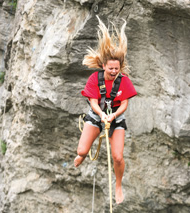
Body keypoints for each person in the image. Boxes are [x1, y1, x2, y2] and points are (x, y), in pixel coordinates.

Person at [74, 16, 137, 204]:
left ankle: (118, 185)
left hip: (116, 118)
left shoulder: (123, 80)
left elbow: (124, 104)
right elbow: (93, 102)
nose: (113, 71)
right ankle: (82, 156)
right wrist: (102, 115)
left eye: (116, 69)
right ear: (103, 66)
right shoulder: (95, 79)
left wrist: (113, 116)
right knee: (82, 151)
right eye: (110, 68)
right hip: (97, 115)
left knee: (117, 156)